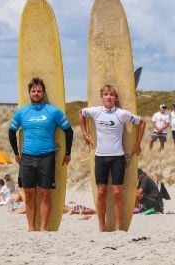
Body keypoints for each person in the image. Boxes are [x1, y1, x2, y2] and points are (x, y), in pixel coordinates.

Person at [8, 77, 74, 231]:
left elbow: (68, 131)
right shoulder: (22, 113)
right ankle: (31, 228)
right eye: (33, 91)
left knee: (45, 194)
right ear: (29, 93)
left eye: (39, 91)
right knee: (29, 195)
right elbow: (11, 132)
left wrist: (67, 152)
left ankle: (43, 228)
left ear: (43, 93)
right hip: (27, 158)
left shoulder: (53, 111)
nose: (36, 93)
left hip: (47, 157)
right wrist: (16, 154)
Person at [79, 84, 146, 231]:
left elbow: (142, 123)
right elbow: (81, 113)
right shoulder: (96, 112)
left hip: (117, 158)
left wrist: (137, 144)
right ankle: (101, 226)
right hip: (101, 158)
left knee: (116, 193)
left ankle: (117, 227)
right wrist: (85, 133)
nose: (108, 97)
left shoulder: (122, 114)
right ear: (101, 97)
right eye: (106, 94)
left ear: (115, 98)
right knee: (101, 192)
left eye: (111, 94)